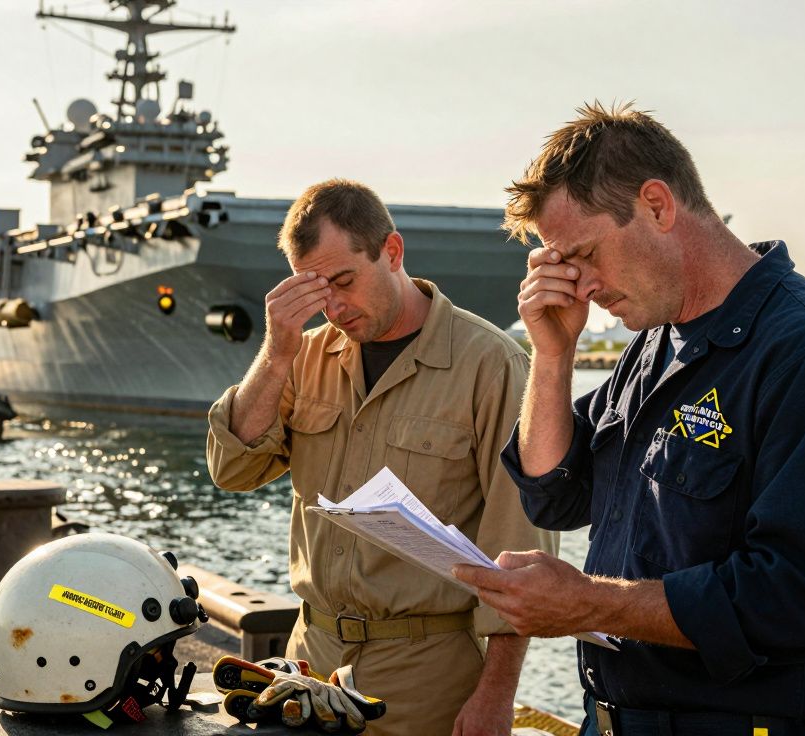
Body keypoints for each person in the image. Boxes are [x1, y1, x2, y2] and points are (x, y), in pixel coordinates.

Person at [452, 103, 805, 736]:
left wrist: (589, 603)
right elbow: (554, 494)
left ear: (657, 205)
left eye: (585, 254)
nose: (580, 286)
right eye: (562, 265)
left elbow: (804, 600)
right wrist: (553, 354)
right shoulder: (658, 340)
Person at [206, 178, 558, 736]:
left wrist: (497, 694)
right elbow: (234, 470)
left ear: (391, 251)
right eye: (315, 290)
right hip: (309, 665)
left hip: (427, 677)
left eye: (344, 280)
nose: (334, 306)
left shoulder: (490, 365)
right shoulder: (305, 355)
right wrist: (276, 355)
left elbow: (520, 543)